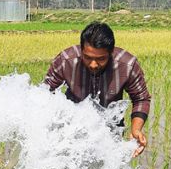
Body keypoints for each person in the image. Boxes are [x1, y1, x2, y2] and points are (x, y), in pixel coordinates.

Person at [44, 22, 150, 157]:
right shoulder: (66, 60)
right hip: (72, 128)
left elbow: (141, 98)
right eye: (87, 57)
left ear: (111, 53)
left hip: (110, 131)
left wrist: (136, 129)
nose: (93, 64)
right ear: (81, 49)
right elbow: (45, 93)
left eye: (101, 59)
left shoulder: (127, 65)